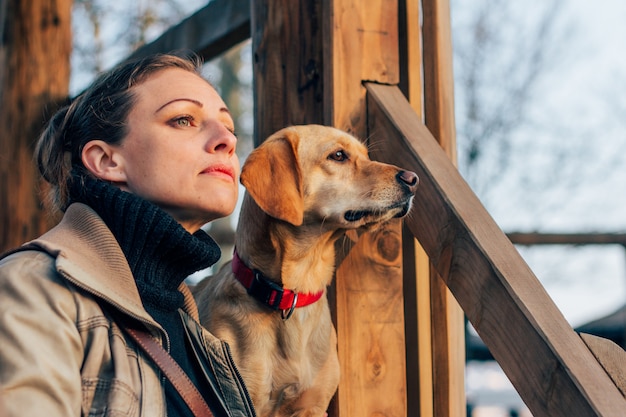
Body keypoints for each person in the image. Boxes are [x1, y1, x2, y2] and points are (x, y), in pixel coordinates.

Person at [0, 53, 256, 417]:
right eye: (183, 119)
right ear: (107, 161)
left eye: (228, 126)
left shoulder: (195, 328)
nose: (226, 141)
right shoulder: (31, 289)